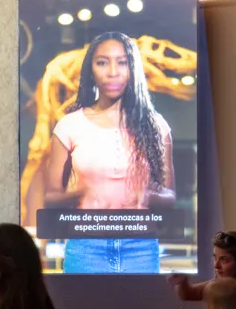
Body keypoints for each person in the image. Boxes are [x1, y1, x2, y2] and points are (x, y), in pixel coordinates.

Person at [27, 32, 174, 275]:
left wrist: (146, 194)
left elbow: (170, 196)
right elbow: (51, 198)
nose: (113, 71)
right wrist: (83, 193)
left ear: (132, 69)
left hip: (140, 248)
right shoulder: (69, 125)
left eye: (122, 62)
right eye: (102, 62)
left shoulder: (157, 125)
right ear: (91, 70)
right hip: (86, 247)